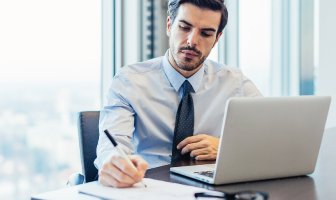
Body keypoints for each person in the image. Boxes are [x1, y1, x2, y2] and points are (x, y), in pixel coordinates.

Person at [95, 0, 262, 188]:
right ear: (169, 25)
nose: (192, 41)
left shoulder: (235, 83)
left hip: (210, 189)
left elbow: (270, 136)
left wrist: (226, 147)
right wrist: (115, 165)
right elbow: (111, 146)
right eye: (184, 27)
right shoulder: (130, 81)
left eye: (206, 33)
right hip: (148, 187)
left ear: (217, 39)